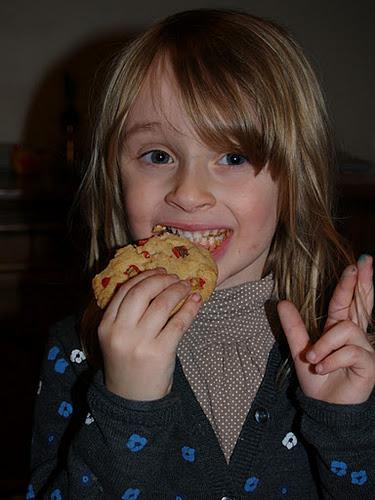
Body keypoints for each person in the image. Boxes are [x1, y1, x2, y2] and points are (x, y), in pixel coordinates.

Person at [28, 9, 375, 499]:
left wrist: (347, 426)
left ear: (296, 179)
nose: (189, 193)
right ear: (115, 174)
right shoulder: (78, 349)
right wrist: (126, 406)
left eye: (234, 157)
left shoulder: (344, 352)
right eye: (158, 155)